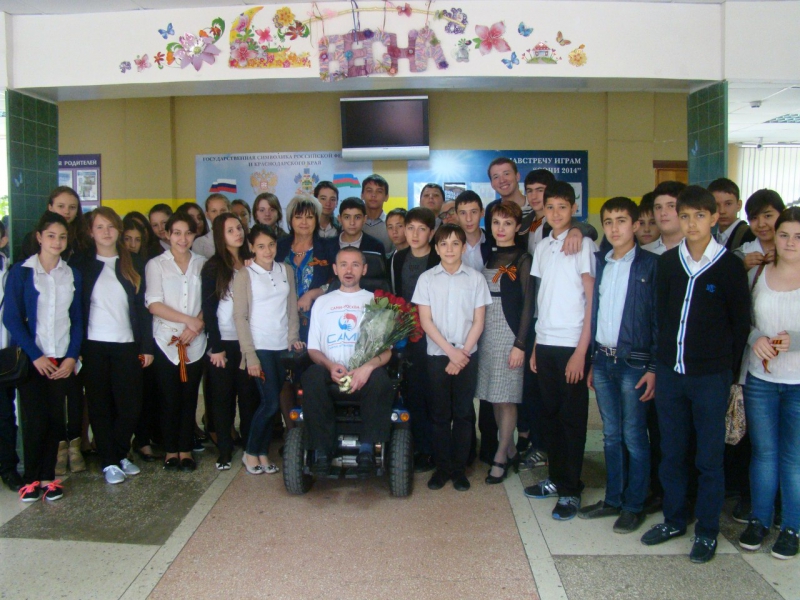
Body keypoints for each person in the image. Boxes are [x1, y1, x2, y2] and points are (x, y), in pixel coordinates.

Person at [640, 185, 750, 564]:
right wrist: (662, 364)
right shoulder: (669, 263)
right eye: (684, 216)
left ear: (714, 218)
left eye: (699, 216)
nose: (691, 223)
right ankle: (674, 519)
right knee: (671, 452)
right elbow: (661, 316)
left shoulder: (729, 266)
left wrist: (727, 373)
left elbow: (740, 325)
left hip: (711, 378)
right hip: (672, 374)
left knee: (708, 457)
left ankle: (706, 529)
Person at [579, 197, 658, 533]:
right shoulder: (600, 262)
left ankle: (634, 504)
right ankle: (613, 498)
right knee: (611, 435)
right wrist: (591, 362)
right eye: (608, 221)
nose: (614, 228)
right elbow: (593, 313)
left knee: (634, 435)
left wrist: (654, 367)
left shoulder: (650, 265)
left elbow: (659, 321)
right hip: (603, 359)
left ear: (636, 225)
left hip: (635, 363)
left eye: (621, 221)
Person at [523, 181, 597, 520]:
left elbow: (591, 301)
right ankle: (555, 478)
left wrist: (582, 351)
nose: (555, 213)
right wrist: (536, 346)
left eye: (562, 207)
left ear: (574, 209)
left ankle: (571, 489)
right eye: (550, 207)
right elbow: (543, 299)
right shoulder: (542, 246)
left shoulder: (584, 244)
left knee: (572, 420)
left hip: (572, 345)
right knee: (550, 417)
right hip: (546, 342)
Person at [5, 212, 83, 502]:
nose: (57, 242)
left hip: (61, 358)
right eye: (51, 236)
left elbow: (78, 320)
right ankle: (31, 478)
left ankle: (49, 477)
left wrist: (71, 357)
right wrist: (36, 355)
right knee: (35, 419)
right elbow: (11, 318)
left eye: (62, 237)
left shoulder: (72, 274)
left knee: (55, 419)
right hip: (32, 360)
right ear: (39, 237)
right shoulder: (22, 272)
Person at [738, 207, 800, 560]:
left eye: (798, 237)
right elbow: (741, 320)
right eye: (785, 234)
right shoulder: (758, 272)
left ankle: (791, 526)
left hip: (798, 383)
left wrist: (797, 339)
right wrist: (755, 337)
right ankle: (759, 520)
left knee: (794, 458)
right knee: (764, 454)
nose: (791, 242)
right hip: (761, 379)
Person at [301, 246, 394, 476]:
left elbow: (387, 352)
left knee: (381, 378)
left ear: (364, 269)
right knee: (311, 376)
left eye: (355, 265)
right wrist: (330, 366)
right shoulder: (322, 302)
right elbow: (313, 349)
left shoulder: (376, 301)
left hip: (364, 375)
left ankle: (367, 449)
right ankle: (323, 450)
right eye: (343, 264)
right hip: (331, 372)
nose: (349, 270)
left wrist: (366, 368)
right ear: (335, 269)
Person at [76, 207, 152, 485]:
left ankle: (120, 453)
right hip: (94, 346)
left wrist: (147, 346)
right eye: (100, 227)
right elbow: (76, 310)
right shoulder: (82, 264)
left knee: (130, 406)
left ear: (119, 230)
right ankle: (108, 461)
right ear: (90, 232)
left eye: (111, 226)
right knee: (100, 406)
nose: (106, 232)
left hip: (127, 344)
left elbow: (143, 309)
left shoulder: (133, 262)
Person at [412, 224, 491, 492]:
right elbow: (426, 321)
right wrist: (451, 352)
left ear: (463, 247)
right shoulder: (426, 279)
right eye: (444, 244)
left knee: (464, 413)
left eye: (455, 243)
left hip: (467, 355)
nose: (449, 249)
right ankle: (442, 468)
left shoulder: (475, 279)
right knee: (439, 414)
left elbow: (479, 321)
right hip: (438, 355)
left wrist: (462, 353)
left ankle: (459, 469)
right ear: (436, 248)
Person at [234, 225, 304, 474]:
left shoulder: (286, 270)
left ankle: (262, 454)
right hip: (260, 347)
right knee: (271, 402)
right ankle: (251, 452)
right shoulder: (244, 274)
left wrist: (293, 337)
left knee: (273, 401)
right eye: (261, 246)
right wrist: (249, 355)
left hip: (281, 346)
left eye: (271, 245)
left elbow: (291, 307)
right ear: (251, 247)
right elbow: (240, 317)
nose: (267, 251)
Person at [477, 201, 534, 484]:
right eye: (496, 223)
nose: (501, 229)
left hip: (510, 334)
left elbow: (528, 305)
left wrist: (520, 344)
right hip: (487, 333)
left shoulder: (523, 259)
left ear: (518, 227)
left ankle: (500, 456)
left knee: (507, 397)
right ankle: (510, 448)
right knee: (494, 396)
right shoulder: (488, 255)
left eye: (508, 223)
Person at [145, 212, 207, 472]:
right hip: (166, 340)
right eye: (177, 233)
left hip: (196, 341)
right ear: (168, 234)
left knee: (189, 397)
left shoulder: (203, 263)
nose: (183, 239)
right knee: (169, 398)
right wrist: (187, 321)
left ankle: (186, 449)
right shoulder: (156, 264)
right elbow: (153, 304)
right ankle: (171, 450)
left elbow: (210, 300)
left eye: (188, 233)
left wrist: (197, 324)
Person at [201, 213, 257, 471]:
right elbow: (208, 309)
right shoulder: (213, 267)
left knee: (248, 398)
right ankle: (224, 450)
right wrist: (216, 347)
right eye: (230, 230)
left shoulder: (252, 262)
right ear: (220, 236)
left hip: (247, 341)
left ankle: (249, 446)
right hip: (223, 341)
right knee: (222, 399)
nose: (237, 233)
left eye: (239, 228)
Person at [390, 207, 440, 472]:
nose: (415, 234)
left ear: (431, 232)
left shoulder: (438, 257)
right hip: (407, 334)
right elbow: (396, 295)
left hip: (435, 333)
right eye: (410, 228)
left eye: (422, 229)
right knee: (412, 391)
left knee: (433, 392)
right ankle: (417, 446)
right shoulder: (398, 258)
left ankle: (433, 448)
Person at [122, 216, 162, 461]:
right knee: (122, 395)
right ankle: (120, 443)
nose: (132, 244)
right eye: (127, 239)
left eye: (137, 240)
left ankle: (143, 439)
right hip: (118, 337)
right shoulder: (112, 264)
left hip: (144, 337)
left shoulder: (147, 264)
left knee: (145, 393)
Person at [0, 221, 23, 492]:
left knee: (5, 415)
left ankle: (8, 468)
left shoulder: (13, 273)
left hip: (5, 354)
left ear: (4, 239)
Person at [20, 186, 91, 263]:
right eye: (61, 206)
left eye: (72, 207)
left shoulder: (84, 240)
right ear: (50, 207)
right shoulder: (31, 239)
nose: (67, 211)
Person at [335, 197, 390, 293]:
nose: (352, 223)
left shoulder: (376, 246)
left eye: (357, 217)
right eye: (347, 217)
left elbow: (382, 281)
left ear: (365, 219)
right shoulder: (328, 245)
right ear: (339, 219)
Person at [735, 189, 786, 271]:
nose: (761, 224)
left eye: (768, 216)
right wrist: (742, 267)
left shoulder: (795, 250)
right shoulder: (740, 255)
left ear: (782, 214)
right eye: (754, 218)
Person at [708, 178, 755, 251]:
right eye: (716, 205)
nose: (722, 211)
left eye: (728, 204)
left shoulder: (751, 235)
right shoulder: (710, 239)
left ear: (739, 205)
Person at [642, 181, 687, 255]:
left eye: (671, 206)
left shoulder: (697, 250)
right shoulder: (643, 253)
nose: (663, 213)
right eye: (658, 207)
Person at [456, 191, 488, 273]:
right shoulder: (449, 246)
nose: (468, 219)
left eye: (473, 212)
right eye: (463, 213)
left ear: (482, 213)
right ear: (457, 216)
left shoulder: (493, 242)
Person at [192, 194, 231, 258]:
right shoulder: (200, 243)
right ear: (207, 214)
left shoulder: (238, 237)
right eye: (214, 211)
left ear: (229, 212)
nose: (218, 215)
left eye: (223, 210)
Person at [361, 174, 392, 254]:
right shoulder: (354, 223)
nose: (373, 195)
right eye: (369, 191)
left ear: (386, 197)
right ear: (362, 195)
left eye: (379, 191)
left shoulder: (391, 224)